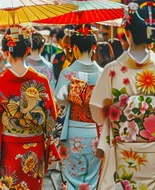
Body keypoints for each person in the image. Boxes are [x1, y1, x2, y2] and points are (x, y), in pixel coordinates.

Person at [90, 0, 155, 189]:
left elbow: (97, 111)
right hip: (154, 155)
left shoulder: (112, 70)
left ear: (127, 33)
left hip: (123, 152)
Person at [0, 27, 59, 189]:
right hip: (34, 144)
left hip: (9, 145)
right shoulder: (41, 80)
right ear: (28, 50)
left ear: (5, 52)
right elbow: (52, 115)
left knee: (9, 184)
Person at [54, 25, 102, 189]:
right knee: (93, 176)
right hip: (96, 132)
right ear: (94, 47)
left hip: (73, 130)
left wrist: (73, 94)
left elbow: (59, 100)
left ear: (74, 48)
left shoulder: (68, 73)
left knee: (71, 174)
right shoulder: (103, 73)